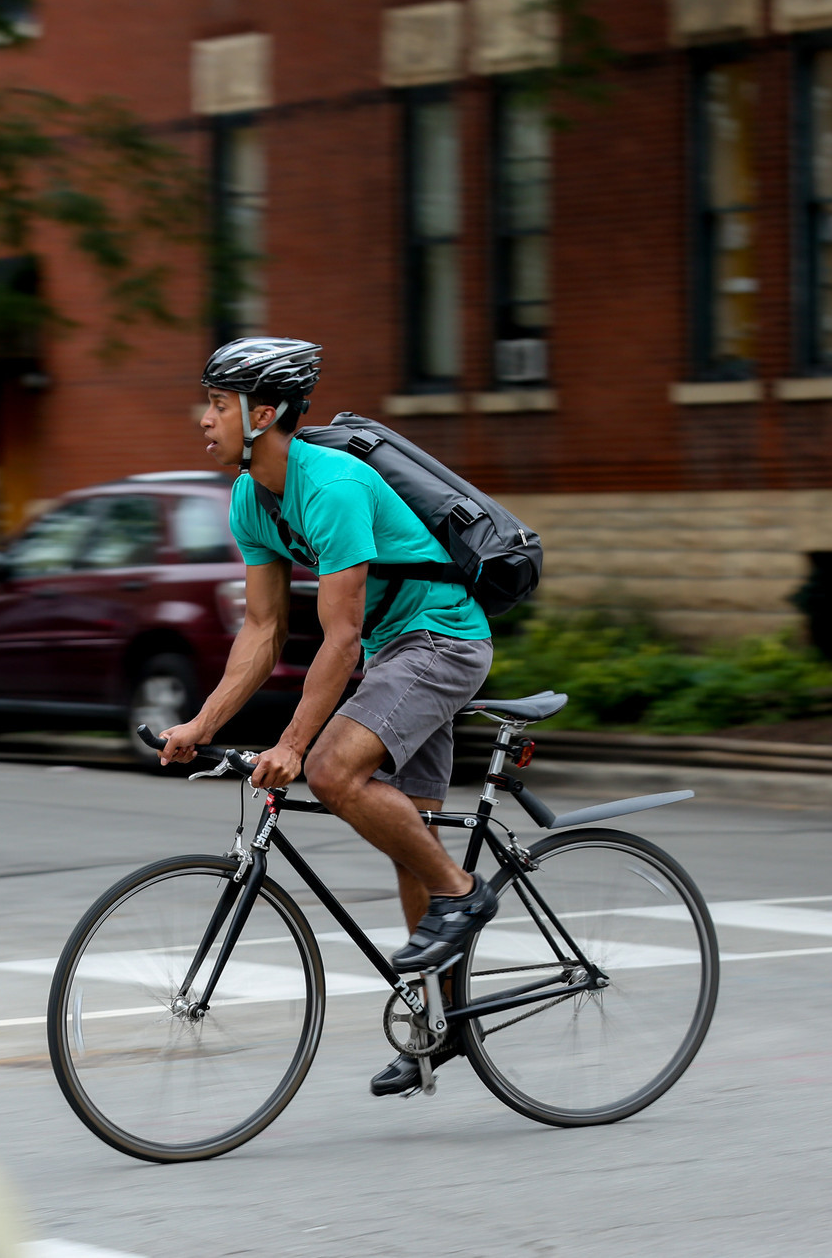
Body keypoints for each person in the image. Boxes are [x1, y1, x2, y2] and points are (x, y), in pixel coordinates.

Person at [156, 336, 499, 1097]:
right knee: (406, 826)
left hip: (440, 638)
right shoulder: (253, 495)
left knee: (332, 769)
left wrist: (291, 742)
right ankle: (442, 1025)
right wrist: (201, 724)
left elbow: (339, 637)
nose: (203, 419)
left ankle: (464, 892)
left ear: (263, 412)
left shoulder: (334, 484)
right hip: (395, 648)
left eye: (217, 404)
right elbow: (263, 631)